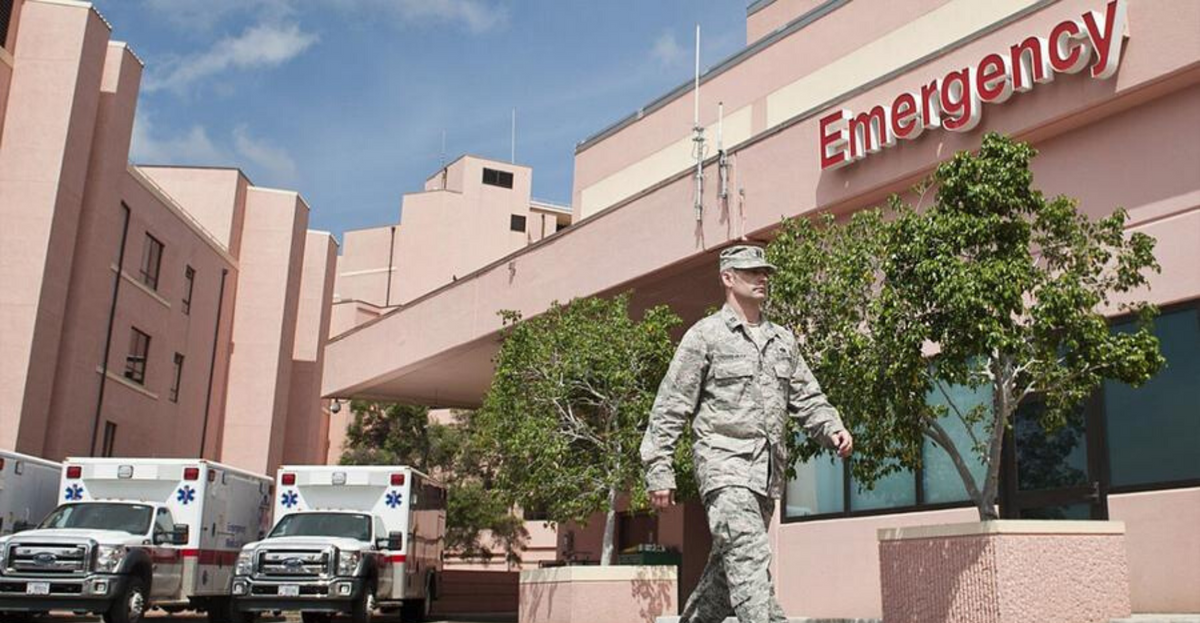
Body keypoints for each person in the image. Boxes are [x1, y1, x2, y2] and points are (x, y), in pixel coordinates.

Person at [640, 244, 853, 623]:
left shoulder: (782, 340)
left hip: (766, 476)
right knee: (749, 554)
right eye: (751, 271)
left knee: (725, 576)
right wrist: (660, 469)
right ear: (727, 277)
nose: (761, 278)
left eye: (764, 272)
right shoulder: (705, 336)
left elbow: (807, 396)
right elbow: (671, 405)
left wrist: (832, 427)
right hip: (723, 467)